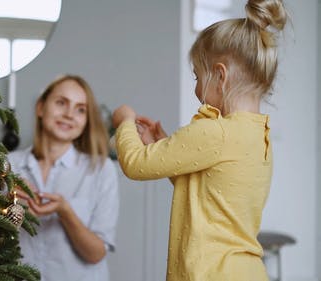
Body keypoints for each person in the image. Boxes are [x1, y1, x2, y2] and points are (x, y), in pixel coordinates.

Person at [111, 0, 288, 280]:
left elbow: (135, 164)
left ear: (220, 75)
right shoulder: (259, 135)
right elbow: (209, 190)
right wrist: (166, 142)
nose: (196, 88)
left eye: (197, 76)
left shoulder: (214, 131)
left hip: (207, 273)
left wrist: (123, 122)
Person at [8, 74, 119, 281]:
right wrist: (5, 205)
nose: (69, 114)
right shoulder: (8, 165)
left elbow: (96, 254)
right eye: (61, 103)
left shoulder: (101, 170)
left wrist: (65, 212)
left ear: (86, 121)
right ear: (41, 108)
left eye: (80, 109)